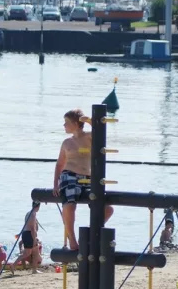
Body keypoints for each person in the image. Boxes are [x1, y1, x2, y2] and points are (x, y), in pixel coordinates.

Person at [54, 109, 114, 250]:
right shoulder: (66, 143)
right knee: (70, 205)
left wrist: (86, 120)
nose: (64, 125)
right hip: (69, 175)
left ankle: (88, 233)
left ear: (76, 123)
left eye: (66, 122)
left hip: (88, 178)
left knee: (107, 209)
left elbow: (100, 130)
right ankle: (73, 240)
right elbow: (59, 164)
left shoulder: (89, 137)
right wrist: (55, 183)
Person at [12, 202, 41, 273]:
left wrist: (20, 233)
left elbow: (26, 225)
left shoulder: (28, 213)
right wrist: (34, 239)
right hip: (29, 234)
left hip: (26, 233)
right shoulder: (33, 214)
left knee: (35, 252)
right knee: (27, 253)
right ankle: (13, 265)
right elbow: (32, 228)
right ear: (38, 206)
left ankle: (34, 270)